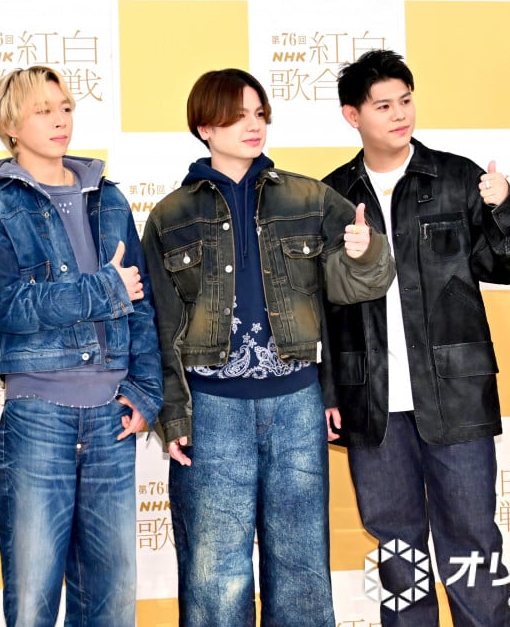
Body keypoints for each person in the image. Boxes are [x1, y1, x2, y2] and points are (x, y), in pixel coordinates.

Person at [141, 68, 396, 626]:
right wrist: (173, 414)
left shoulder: (309, 198)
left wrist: (365, 251)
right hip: (212, 409)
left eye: (259, 113)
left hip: (296, 405)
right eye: (237, 115)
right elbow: (159, 325)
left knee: (302, 570)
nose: (253, 125)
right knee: (215, 576)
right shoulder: (171, 216)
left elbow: (361, 287)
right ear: (205, 127)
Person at [319, 49, 510, 626]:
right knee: (397, 550)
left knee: (472, 540)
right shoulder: (332, 196)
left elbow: (509, 264)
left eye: (406, 101)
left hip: (456, 394)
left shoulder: (458, 178)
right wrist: (329, 392)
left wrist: (505, 207)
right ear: (352, 116)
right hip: (371, 400)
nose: (400, 114)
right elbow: (321, 308)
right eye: (383, 106)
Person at [0, 65, 163, 626]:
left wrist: (145, 392)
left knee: (112, 600)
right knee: (32, 597)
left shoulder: (110, 199)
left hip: (111, 417)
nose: (60, 120)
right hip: (39, 414)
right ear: (10, 125)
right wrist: (104, 289)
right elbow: (12, 308)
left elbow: (143, 302)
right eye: (43, 110)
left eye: (66, 108)